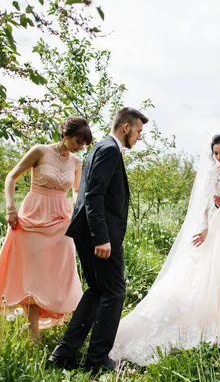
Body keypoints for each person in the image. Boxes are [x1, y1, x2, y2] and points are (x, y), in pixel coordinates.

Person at [108, 134, 220, 366]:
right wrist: (204, 228)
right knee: (216, 271)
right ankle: (219, 324)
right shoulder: (214, 173)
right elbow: (204, 203)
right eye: (216, 153)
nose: (219, 157)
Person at [48, 107, 148, 373]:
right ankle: (98, 361)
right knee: (115, 292)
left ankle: (64, 354)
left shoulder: (102, 148)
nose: (139, 137)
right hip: (99, 236)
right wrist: (102, 239)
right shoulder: (109, 150)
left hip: (89, 232)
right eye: (138, 131)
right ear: (126, 127)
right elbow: (93, 196)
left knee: (97, 291)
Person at [0, 116, 92, 341]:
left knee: (60, 270)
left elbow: (77, 192)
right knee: (34, 273)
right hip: (33, 217)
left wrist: (81, 216)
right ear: (66, 135)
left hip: (62, 220)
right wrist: (10, 208)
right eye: (78, 141)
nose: (81, 146)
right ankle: (34, 332)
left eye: (84, 144)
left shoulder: (77, 162)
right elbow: (11, 177)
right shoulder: (40, 151)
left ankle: (62, 317)